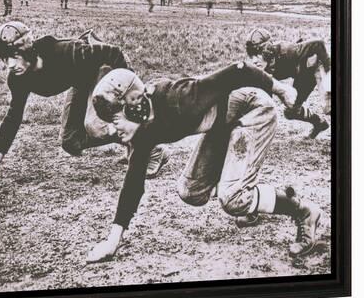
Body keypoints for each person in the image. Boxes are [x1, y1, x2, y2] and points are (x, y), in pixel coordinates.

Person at [86, 62, 323, 263]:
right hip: (224, 122)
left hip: (253, 110)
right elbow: (133, 182)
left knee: (232, 198)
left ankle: (303, 211)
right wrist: (112, 241)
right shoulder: (143, 131)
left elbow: (239, 70)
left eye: (114, 118)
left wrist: (280, 89)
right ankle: (250, 200)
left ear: (134, 103)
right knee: (191, 192)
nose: (111, 128)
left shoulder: (178, 98)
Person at [0, 22, 169, 191]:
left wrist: (127, 95)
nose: (10, 64)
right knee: (70, 141)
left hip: (105, 69)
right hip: (82, 80)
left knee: (95, 126)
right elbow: (12, 119)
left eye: (14, 56)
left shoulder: (67, 51)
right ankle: (132, 143)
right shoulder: (18, 78)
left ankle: (151, 146)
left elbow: (114, 53)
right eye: (5, 59)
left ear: (27, 50)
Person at [245, 28, 331, 139]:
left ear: (267, 51)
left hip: (316, 62)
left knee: (328, 106)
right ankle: (319, 123)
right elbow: (266, 100)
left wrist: (329, 72)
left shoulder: (288, 51)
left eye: (257, 54)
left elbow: (318, 44)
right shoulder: (262, 70)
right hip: (303, 75)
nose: (254, 60)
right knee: (291, 111)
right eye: (251, 56)